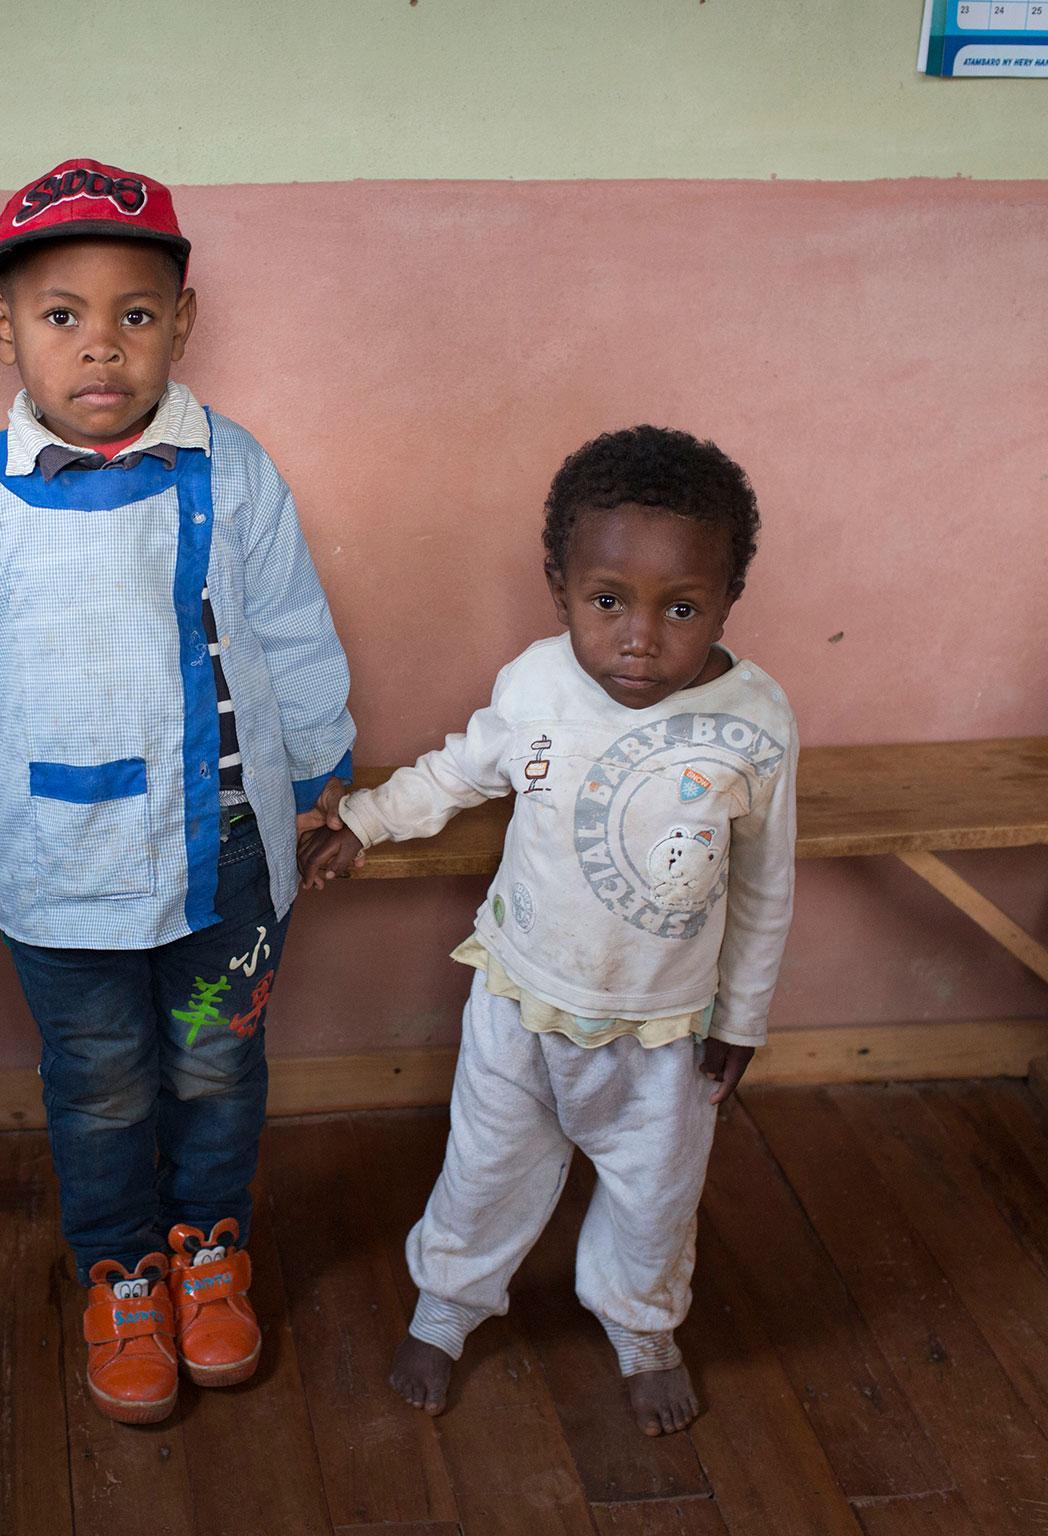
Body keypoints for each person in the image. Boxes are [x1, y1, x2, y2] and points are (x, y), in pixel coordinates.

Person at [0, 158, 355, 1425]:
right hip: (57, 856)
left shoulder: (231, 465)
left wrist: (323, 777)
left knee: (213, 1067)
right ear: (2, 330)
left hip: (233, 855)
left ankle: (210, 1252)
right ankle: (121, 1271)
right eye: (59, 316)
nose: (101, 348)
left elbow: (293, 629)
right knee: (97, 1081)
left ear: (180, 323)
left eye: (135, 315)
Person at [299, 425, 795, 1435]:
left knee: (654, 1198)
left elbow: (762, 884)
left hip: (664, 1029)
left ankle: (641, 1328)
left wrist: (739, 1017)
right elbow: (454, 770)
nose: (639, 637)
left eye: (681, 607)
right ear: (558, 585)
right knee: (485, 1166)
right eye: (606, 600)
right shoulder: (534, 686)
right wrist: (362, 821)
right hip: (518, 996)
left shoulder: (755, 721)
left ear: (726, 600)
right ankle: (446, 1308)